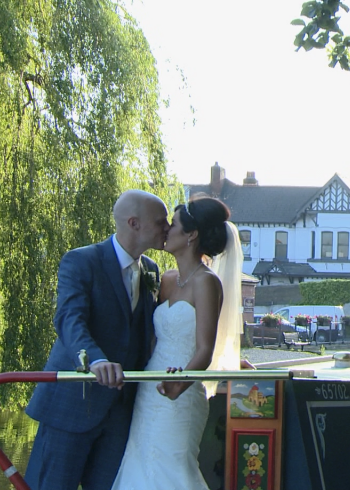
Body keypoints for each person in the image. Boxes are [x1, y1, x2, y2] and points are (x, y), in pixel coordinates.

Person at [25, 190, 170, 490]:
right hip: (72, 404)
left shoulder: (152, 271)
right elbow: (69, 320)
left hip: (121, 413)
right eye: (161, 222)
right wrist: (96, 359)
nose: (167, 228)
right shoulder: (81, 261)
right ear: (134, 223)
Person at [110, 196, 242, 489]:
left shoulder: (207, 283)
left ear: (191, 234)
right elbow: (152, 338)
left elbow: (205, 349)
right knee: (140, 463)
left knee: (173, 466)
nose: (166, 229)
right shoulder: (166, 279)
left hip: (180, 390)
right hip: (149, 389)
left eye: (174, 224)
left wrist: (179, 383)